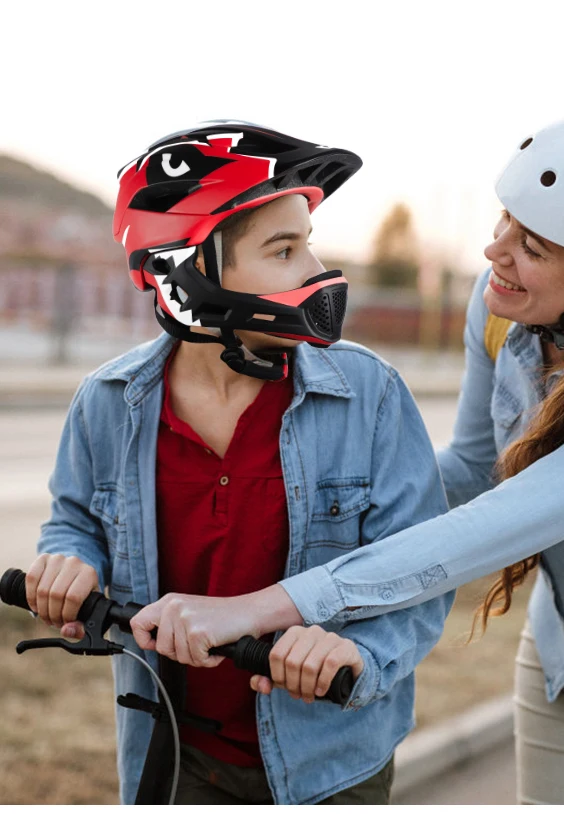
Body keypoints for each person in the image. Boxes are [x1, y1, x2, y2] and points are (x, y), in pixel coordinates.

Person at [131, 105, 564, 805]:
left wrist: (271, 606)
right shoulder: (503, 308)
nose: (494, 254)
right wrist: (294, 540)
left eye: (532, 248)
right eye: (503, 222)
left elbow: (513, 517)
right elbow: (471, 476)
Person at [25, 121, 454, 805]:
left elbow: (421, 570)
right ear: (187, 270)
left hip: (332, 761)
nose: (315, 271)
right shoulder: (106, 403)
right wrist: (68, 563)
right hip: (174, 756)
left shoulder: (369, 395)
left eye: (305, 244)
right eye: (284, 250)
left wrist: (360, 655)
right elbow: (75, 523)